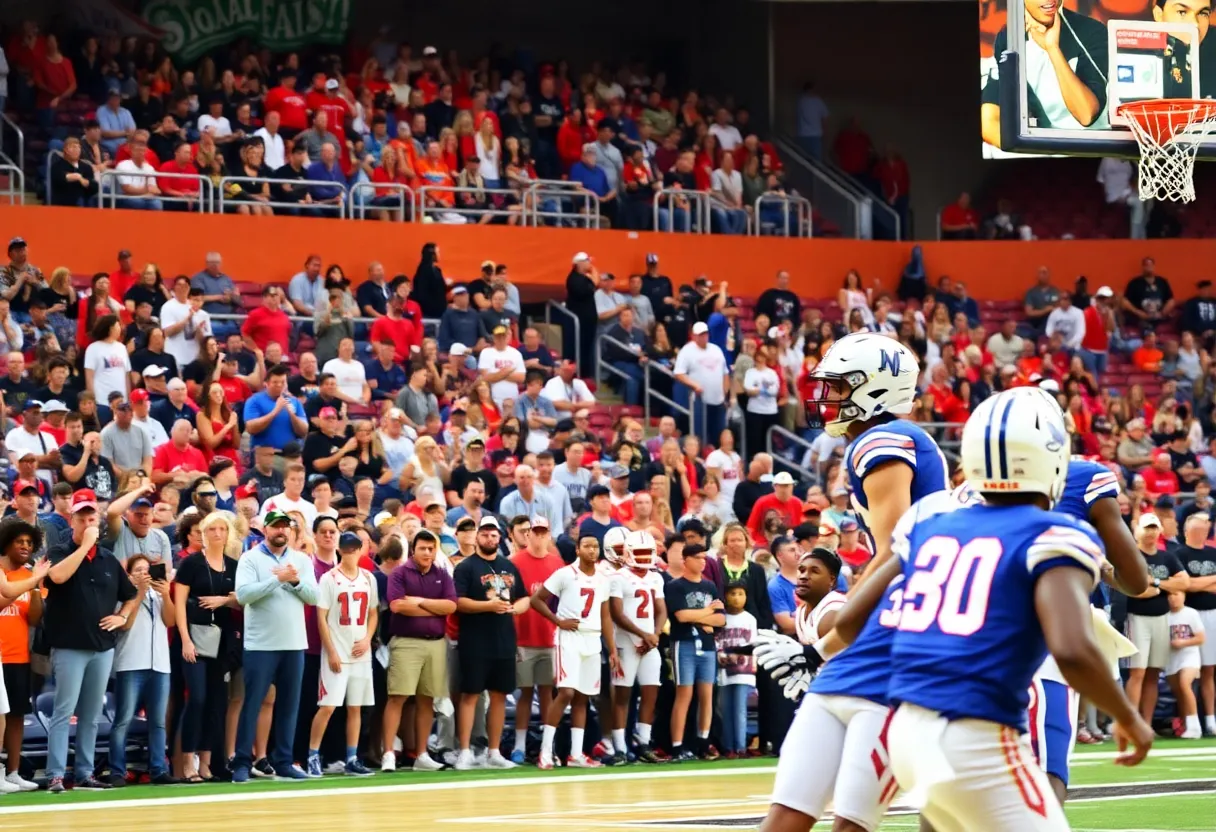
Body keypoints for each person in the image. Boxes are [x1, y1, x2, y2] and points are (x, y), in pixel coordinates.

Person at [884, 388, 1153, 831]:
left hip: (911, 714)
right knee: (1046, 776)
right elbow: (1086, 631)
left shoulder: (933, 521)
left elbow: (865, 609)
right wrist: (1127, 716)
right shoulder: (1058, 522)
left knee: (946, 817)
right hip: (1001, 690)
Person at [755, 331, 947, 832]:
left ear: (875, 389)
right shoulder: (886, 441)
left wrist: (834, 632)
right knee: (784, 818)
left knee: (851, 825)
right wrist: (821, 650)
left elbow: (898, 553)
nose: (827, 397)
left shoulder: (881, 441)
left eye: (839, 386)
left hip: (901, 650)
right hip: (872, 649)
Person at [43, 489, 137, 793]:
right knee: (63, 711)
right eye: (81, 517)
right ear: (72, 521)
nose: (87, 522)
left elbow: (132, 595)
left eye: (91, 517)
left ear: (98, 520)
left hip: (102, 647)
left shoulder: (109, 559)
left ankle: (84, 772)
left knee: (91, 715)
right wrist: (83, 547)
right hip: (69, 645)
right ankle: (56, 773)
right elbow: (56, 577)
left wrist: (122, 616)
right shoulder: (59, 550)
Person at [231, 510, 319, 782]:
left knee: (289, 706)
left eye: (285, 527)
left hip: (294, 644)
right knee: (253, 703)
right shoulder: (250, 558)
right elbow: (244, 595)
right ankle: (243, 763)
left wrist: (293, 581)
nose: (280, 531)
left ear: (291, 531)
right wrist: (276, 580)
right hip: (260, 645)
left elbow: (314, 596)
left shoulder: (301, 560)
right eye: (275, 527)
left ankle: (283, 761)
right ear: (265, 530)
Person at [530, 532, 619, 769]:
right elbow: (536, 600)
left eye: (595, 546)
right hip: (569, 638)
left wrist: (612, 649)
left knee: (583, 697)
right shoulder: (565, 574)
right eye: (587, 546)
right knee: (567, 692)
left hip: (592, 639)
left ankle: (576, 754)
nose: (592, 550)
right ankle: (545, 751)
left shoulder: (602, 579)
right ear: (578, 550)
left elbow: (605, 615)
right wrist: (558, 620)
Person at [452, 516, 528, 769]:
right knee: (470, 694)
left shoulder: (508, 566)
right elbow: (458, 602)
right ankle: (464, 749)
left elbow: (525, 598)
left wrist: (514, 609)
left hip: (504, 639)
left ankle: (494, 751)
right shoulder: (466, 568)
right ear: (477, 537)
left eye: (494, 535)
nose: (489, 538)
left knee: (499, 695)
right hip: (475, 640)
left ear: (499, 537)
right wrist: (489, 606)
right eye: (485, 534)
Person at [380, 529, 457, 772]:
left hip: (435, 642)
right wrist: (433, 608)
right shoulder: (400, 573)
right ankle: (389, 753)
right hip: (406, 642)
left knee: (427, 699)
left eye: (431, 548)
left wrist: (420, 602)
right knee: (398, 697)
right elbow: (397, 606)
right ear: (413, 550)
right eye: (422, 548)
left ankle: (422, 754)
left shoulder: (442, 574)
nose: (427, 552)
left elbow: (451, 606)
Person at [308, 532, 379, 777]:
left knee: (355, 707)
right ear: (340, 550)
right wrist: (331, 651)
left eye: (354, 548)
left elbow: (373, 613)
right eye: (347, 548)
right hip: (338, 651)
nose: (350, 552)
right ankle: (313, 755)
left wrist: (368, 639)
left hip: (360, 651)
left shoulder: (369, 578)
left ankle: (352, 757)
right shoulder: (329, 578)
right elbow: (322, 617)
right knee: (328, 706)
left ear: (361, 550)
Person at [109, 552, 177, 786]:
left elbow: (171, 621)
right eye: (137, 570)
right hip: (131, 663)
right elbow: (125, 624)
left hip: (159, 664)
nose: (143, 574)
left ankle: (158, 768)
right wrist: (137, 593)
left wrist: (166, 595)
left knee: (158, 721)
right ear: (128, 575)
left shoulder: (158, 595)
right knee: (123, 720)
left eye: (146, 570)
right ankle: (117, 771)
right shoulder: (123, 595)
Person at [1124, 512, 1190, 725]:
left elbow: (1184, 583)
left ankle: (1146, 722)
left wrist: (1157, 583)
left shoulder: (1167, 557)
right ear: (1138, 531)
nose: (1151, 532)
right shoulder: (1132, 555)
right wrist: (1164, 587)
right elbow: (1136, 590)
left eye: (1154, 528)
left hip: (1161, 617)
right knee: (1137, 673)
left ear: (1160, 531)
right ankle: (1131, 723)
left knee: (1153, 674)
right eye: (1147, 528)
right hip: (1136, 618)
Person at [608, 530, 667, 762]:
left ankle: (643, 743)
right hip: (626, 642)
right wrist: (643, 635)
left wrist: (654, 634)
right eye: (639, 552)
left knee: (651, 692)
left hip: (649, 644)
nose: (643, 557)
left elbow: (661, 610)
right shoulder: (618, 577)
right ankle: (620, 747)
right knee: (622, 696)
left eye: (647, 552)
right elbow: (617, 613)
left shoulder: (655, 577)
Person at [664, 542, 723, 761]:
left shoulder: (710, 586)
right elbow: (681, 616)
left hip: (708, 646)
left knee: (707, 696)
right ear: (686, 559)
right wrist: (706, 613)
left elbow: (721, 618)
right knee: (684, 694)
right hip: (684, 643)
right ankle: (678, 746)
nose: (702, 561)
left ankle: (703, 743)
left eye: (704, 557)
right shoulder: (675, 585)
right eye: (698, 557)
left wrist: (700, 617)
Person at [0, 518, 45, 792]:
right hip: (0, 655)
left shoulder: (28, 576)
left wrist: (36, 587)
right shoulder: (3, 574)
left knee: (16, 715)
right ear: (7, 543)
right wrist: (31, 581)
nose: (26, 546)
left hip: (18, 656)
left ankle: (13, 772)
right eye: (20, 541)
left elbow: (34, 619)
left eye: (29, 542)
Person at [716, 580, 757, 758]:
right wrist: (721, 654)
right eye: (732, 594)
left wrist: (749, 662)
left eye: (741, 594)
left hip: (743, 670)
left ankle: (740, 746)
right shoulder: (721, 618)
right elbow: (715, 639)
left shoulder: (749, 619)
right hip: (724, 669)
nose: (737, 598)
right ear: (725, 596)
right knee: (726, 709)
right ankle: (728, 747)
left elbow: (753, 644)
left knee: (740, 708)